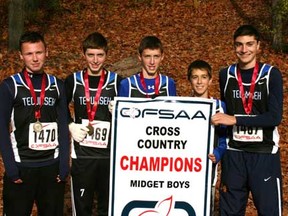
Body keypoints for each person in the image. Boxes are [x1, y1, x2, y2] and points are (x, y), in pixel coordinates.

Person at [211, 25, 283, 215]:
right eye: (239, 45)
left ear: (258, 46)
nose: (244, 50)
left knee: (269, 212)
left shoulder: (271, 75)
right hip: (234, 154)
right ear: (234, 47)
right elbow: (224, 112)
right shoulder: (225, 75)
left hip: (264, 153)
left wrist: (235, 119)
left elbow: (274, 117)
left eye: (249, 44)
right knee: (229, 212)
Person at [0, 31, 70, 215]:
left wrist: (64, 165)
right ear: (21, 56)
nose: (35, 58)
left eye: (38, 52)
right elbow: (1, 126)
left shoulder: (57, 85)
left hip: (51, 169)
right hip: (22, 167)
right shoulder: (10, 86)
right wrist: (11, 167)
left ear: (47, 52)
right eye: (29, 53)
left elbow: (63, 126)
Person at [65, 32, 121, 216]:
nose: (95, 60)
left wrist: (121, 111)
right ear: (83, 54)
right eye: (91, 55)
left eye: (100, 55)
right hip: (82, 156)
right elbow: (59, 109)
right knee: (82, 209)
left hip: (109, 157)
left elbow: (131, 114)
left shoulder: (116, 82)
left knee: (107, 209)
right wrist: (70, 125)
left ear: (106, 55)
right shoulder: (73, 81)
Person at [187, 59, 227, 215]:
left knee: (205, 210)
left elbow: (224, 140)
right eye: (195, 77)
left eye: (203, 77)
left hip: (207, 171)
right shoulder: (182, 104)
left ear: (210, 80)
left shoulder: (219, 106)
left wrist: (217, 154)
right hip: (184, 171)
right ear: (189, 80)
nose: (199, 82)